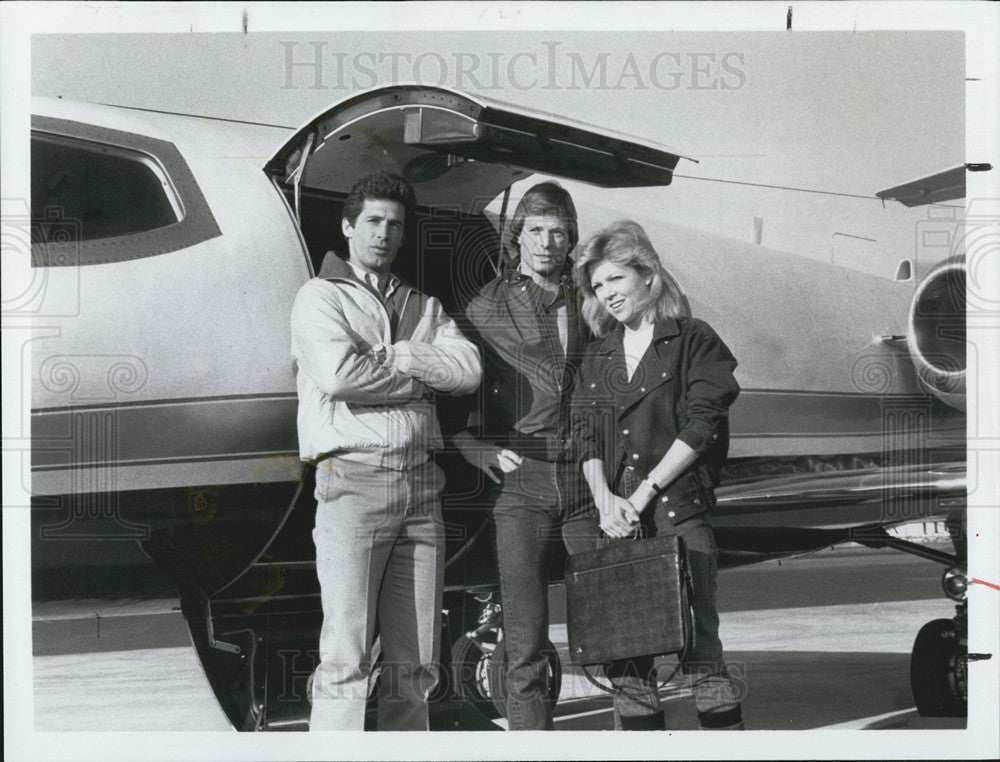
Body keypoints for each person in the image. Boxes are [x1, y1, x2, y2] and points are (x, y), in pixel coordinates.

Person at [290, 172, 482, 731]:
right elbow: (340, 375)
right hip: (354, 481)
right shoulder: (319, 296)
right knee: (346, 656)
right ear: (348, 226)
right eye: (373, 221)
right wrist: (423, 375)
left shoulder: (422, 304)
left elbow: (468, 370)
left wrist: (400, 355)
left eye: (395, 224)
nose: (384, 233)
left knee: (415, 663)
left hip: (422, 487)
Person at [570, 220, 745, 731]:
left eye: (615, 281)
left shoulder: (694, 339)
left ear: (647, 275)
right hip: (617, 522)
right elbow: (587, 435)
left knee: (700, 652)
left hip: (677, 512)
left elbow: (702, 424)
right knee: (624, 660)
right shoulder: (598, 355)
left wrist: (640, 496)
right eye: (598, 287)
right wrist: (605, 501)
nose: (607, 295)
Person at [453, 181, 597, 730]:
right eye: (535, 230)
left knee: (614, 623)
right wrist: (470, 444)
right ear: (517, 238)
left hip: (590, 477)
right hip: (522, 483)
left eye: (558, 231)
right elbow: (456, 384)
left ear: (572, 239)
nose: (547, 242)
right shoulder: (486, 306)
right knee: (524, 639)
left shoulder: (593, 301)